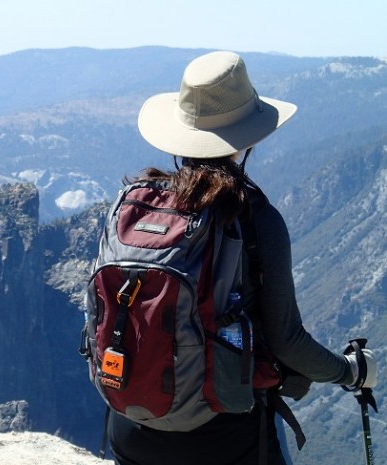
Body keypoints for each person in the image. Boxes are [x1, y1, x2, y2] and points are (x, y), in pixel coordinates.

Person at [106, 51, 378, 465]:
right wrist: (350, 372)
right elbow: (288, 342)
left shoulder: (132, 208)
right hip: (222, 436)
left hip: (129, 427)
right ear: (245, 140)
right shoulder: (254, 220)